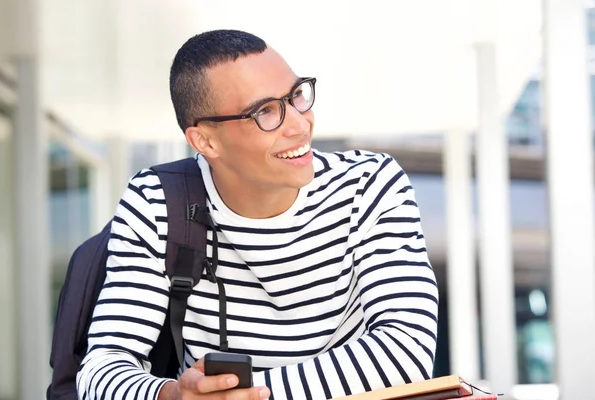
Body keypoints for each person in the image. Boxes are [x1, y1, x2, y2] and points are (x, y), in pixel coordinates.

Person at [76, 29, 439, 400]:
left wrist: (253, 396)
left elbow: (406, 352)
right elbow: (102, 370)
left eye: (297, 96)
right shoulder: (156, 202)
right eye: (265, 111)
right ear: (206, 141)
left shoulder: (371, 186)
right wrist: (175, 396)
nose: (300, 124)